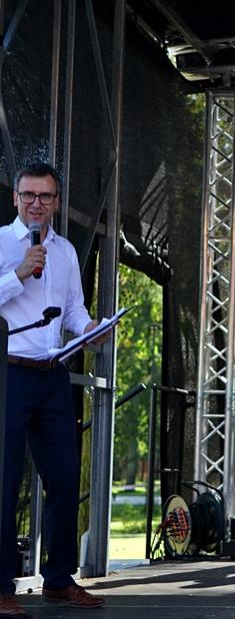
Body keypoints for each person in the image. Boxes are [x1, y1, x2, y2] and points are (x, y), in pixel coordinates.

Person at [1, 163, 110, 615]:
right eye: (28, 195)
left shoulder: (64, 252)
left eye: (45, 196)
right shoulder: (2, 242)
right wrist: (19, 273)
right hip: (8, 373)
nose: (36, 204)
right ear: (15, 198)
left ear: (57, 202)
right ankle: (1, 585)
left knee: (65, 477)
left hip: (53, 375)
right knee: (4, 481)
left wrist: (90, 328)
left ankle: (59, 579)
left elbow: (72, 310)